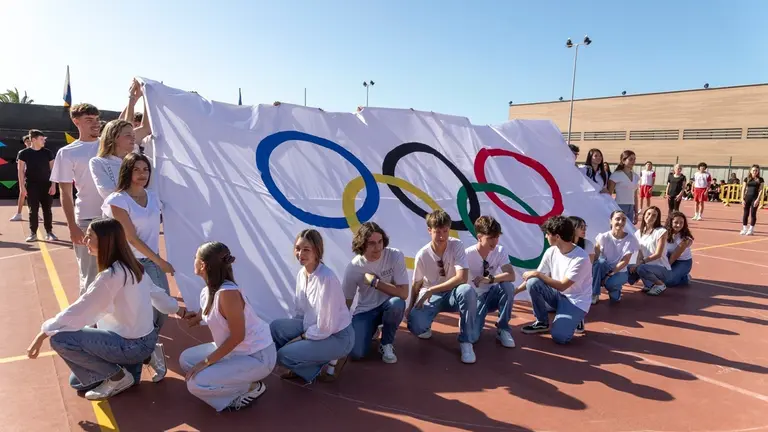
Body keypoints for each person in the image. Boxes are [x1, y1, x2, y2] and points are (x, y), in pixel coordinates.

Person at [25, 218, 182, 400]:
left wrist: (43, 333)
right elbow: (159, 296)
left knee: (60, 340)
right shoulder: (134, 267)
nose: (85, 240)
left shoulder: (110, 276)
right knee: (78, 381)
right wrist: (178, 310)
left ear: (105, 241)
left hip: (129, 345)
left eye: (89, 236)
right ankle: (145, 358)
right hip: (142, 341)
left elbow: (81, 308)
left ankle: (119, 377)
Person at [101, 153, 173, 381]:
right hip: (130, 264)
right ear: (127, 172)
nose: (143, 174)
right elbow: (131, 238)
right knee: (139, 313)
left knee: (161, 311)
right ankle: (143, 355)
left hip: (152, 260)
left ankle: (148, 350)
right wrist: (161, 261)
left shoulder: (152, 197)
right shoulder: (118, 200)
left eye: (146, 170)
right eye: (137, 170)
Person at [179, 242, 276, 412]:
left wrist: (206, 362)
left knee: (196, 383)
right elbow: (212, 312)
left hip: (258, 357)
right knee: (186, 361)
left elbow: (238, 336)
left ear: (202, 265)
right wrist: (197, 318)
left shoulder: (228, 294)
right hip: (235, 352)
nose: (193, 260)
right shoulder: (209, 290)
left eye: (195, 257)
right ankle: (235, 378)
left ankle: (250, 387)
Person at [270, 229, 354, 383]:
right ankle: (301, 364)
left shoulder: (327, 279)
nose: (300, 253)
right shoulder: (302, 274)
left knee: (283, 355)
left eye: (306, 249)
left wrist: (300, 338)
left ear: (317, 251)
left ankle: (326, 360)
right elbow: (300, 311)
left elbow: (326, 327)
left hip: (337, 336)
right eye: (298, 248)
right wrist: (297, 336)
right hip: (313, 326)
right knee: (275, 327)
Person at [407, 210, 476, 364]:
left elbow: (462, 278)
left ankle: (466, 342)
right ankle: (426, 325)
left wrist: (432, 289)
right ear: (429, 230)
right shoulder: (422, 254)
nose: (441, 236)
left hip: (452, 293)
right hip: (430, 296)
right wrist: (410, 307)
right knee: (415, 325)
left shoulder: (456, 245)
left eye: (445, 231)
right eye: (437, 231)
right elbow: (417, 283)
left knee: (467, 290)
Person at [50, 103, 103, 295]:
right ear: (76, 121)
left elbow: (130, 126)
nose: (95, 124)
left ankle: (114, 319)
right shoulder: (67, 152)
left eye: (97, 120)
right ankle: (88, 321)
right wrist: (72, 225)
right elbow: (65, 192)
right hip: (87, 221)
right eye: (89, 120)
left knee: (117, 272)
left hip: (115, 218)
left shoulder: (109, 145)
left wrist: (133, 99)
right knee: (90, 276)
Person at [342, 222, 408, 364]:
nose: (378, 247)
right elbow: (346, 301)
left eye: (380, 242)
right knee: (356, 354)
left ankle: (386, 343)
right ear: (362, 244)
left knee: (397, 303)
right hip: (365, 310)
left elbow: (404, 294)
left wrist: (376, 283)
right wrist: (338, 329)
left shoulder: (395, 255)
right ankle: (371, 329)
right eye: (372, 243)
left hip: (389, 306)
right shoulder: (354, 267)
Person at [519, 216, 592, 344]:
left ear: (557, 237)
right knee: (533, 282)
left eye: (548, 234)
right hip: (558, 296)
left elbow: (563, 285)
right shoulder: (551, 251)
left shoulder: (580, 258)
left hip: (575, 301)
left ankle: (576, 317)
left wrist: (538, 274)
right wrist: (513, 292)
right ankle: (541, 322)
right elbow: (535, 277)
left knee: (560, 337)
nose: (546, 237)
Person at [464, 216, 517, 349]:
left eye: (496, 237)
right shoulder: (467, 254)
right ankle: (468, 319)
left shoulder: (500, 250)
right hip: (476, 298)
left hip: (492, 294)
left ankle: (503, 329)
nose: (494, 241)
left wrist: (491, 279)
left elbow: (511, 275)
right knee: (472, 337)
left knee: (508, 286)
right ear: (479, 237)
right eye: (490, 238)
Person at [591, 211, 639, 305]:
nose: (621, 222)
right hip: (605, 268)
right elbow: (595, 257)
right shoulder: (603, 237)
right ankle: (594, 294)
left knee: (610, 285)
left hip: (620, 271)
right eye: (617, 219)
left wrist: (608, 275)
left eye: (624, 219)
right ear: (611, 221)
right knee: (599, 263)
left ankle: (616, 290)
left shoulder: (630, 239)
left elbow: (625, 261)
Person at [17, 130, 57, 242]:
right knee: (32, 210)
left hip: (46, 185)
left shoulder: (48, 153)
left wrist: (53, 185)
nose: (44, 141)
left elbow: (53, 170)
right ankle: (33, 233)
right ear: (33, 140)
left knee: (47, 210)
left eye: (44, 139)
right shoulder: (23, 153)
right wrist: (22, 187)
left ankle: (49, 232)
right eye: (41, 139)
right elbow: (20, 171)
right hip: (31, 185)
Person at [90, 120, 140, 200]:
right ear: (114, 137)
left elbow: (150, 191)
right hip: (116, 211)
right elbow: (109, 193)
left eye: (133, 135)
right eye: (128, 135)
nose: (133, 138)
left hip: (144, 211)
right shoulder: (98, 162)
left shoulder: (140, 161)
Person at [628, 206, 670, 296]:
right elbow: (640, 253)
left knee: (641, 268)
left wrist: (639, 264)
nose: (650, 217)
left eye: (654, 215)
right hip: (646, 267)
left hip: (661, 268)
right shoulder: (639, 233)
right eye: (648, 214)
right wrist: (635, 265)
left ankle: (660, 284)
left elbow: (658, 254)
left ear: (657, 218)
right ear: (644, 215)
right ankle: (648, 284)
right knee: (627, 268)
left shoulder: (661, 231)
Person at [608, 150, 640, 223]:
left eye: (634, 159)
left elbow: (635, 196)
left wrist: (636, 213)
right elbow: (609, 194)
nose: (633, 161)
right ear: (623, 160)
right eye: (630, 159)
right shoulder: (616, 175)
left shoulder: (635, 176)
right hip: (619, 207)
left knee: (629, 232)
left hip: (631, 208)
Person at [665, 211, 694, 286]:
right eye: (676, 222)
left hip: (683, 262)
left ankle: (685, 277)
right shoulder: (664, 232)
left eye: (681, 223)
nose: (679, 225)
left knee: (668, 281)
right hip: (667, 257)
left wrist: (665, 269)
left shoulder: (685, 239)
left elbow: (674, 256)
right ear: (670, 222)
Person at [9, 135, 32, 222]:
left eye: (29, 140)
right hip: (26, 176)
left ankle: (35, 213)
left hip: (36, 177)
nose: (28, 142)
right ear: (25, 143)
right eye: (26, 141)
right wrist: (22, 178)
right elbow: (20, 167)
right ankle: (18, 214)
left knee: (35, 196)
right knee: (22, 194)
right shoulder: (22, 152)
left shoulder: (39, 151)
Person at [740, 165, 764, 236]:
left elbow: (761, 190)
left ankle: (751, 229)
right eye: (753, 170)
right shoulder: (746, 179)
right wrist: (742, 199)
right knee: (745, 213)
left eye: (756, 170)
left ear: (758, 171)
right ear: (750, 171)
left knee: (753, 214)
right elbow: (743, 189)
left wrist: (758, 199)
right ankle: (744, 228)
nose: (755, 172)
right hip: (747, 198)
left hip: (755, 198)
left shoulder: (760, 179)